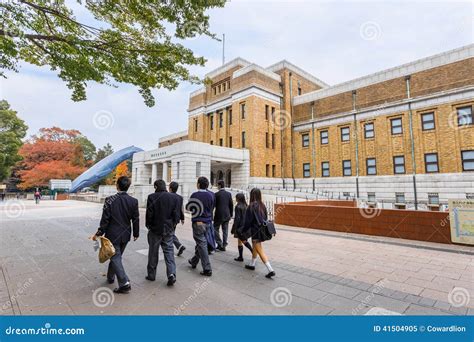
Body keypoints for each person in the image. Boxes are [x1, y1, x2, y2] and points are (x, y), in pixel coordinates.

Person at [94, 176, 140, 293]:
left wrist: (100, 232)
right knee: (116, 257)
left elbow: (105, 219)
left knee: (115, 257)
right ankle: (110, 277)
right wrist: (136, 233)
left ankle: (124, 283)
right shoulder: (133, 201)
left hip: (112, 234)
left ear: (117, 186)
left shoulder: (109, 200)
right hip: (126, 234)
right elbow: (135, 219)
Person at [145, 179, 178, 286]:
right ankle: (171, 274)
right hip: (168, 229)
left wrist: (148, 225)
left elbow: (149, 214)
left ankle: (151, 275)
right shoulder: (173, 197)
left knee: (153, 252)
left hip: (155, 229)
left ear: (155, 187)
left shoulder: (152, 197)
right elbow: (176, 215)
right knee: (169, 252)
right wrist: (173, 225)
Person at [243, 188, 275, 278]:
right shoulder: (263, 205)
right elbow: (265, 218)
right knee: (255, 247)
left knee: (259, 249)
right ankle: (252, 264)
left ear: (252, 195)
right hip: (261, 230)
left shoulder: (251, 206)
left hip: (255, 231)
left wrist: (243, 230)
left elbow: (247, 222)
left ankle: (270, 269)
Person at [186, 176, 214, 277]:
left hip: (198, 222)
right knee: (201, 243)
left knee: (202, 244)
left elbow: (188, 207)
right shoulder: (211, 195)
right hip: (208, 223)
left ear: (198, 184)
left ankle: (207, 268)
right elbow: (211, 208)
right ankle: (194, 261)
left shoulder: (195, 195)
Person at [231, 193, 253, 262]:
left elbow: (237, 219)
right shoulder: (246, 205)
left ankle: (253, 252)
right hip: (246, 226)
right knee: (240, 241)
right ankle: (240, 257)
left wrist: (234, 228)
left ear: (238, 198)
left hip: (240, 227)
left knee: (243, 241)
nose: (236, 199)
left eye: (236, 197)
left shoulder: (238, 206)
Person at [213, 180, 233, 251]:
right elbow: (231, 205)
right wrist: (231, 214)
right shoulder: (228, 194)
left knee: (214, 229)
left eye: (217, 185)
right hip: (227, 214)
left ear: (219, 185)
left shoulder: (216, 194)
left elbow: (214, 205)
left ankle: (219, 243)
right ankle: (224, 245)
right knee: (225, 230)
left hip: (218, 215)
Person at [168, 181, 186, 256]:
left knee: (170, 234)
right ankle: (178, 246)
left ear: (170, 188)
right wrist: (182, 218)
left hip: (168, 218)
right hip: (176, 219)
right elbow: (181, 209)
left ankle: (179, 246)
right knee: (171, 233)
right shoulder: (180, 198)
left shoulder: (168, 196)